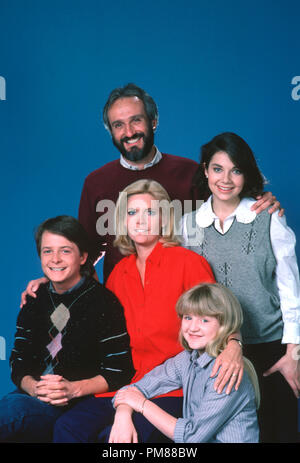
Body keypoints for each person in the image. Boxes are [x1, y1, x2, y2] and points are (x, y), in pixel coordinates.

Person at [20, 83, 281, 294]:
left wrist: (257, 200)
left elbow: (227, 211)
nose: (129, 131)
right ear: (110, 131)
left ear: (153, 121)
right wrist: (56, 282)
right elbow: (83, 253)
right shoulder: (96, 183)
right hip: (124, 304)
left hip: (188, 302)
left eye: (136, 121)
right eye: (118, 125)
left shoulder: (190, 172)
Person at [53, 180, 245, 443]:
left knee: (119, 440)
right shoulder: (118, 274)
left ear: (164, 218)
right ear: (123, 220)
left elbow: (219, 319)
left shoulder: (189, 263)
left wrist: (234, 344)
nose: (141, 220)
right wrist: (52, 283)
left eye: (150, 212)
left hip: (173, 390)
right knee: (68, 427)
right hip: (125, 384)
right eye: (132, 213)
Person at [181, 132, 300, 443]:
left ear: (246, 174)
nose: (226, 179)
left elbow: (290, 288)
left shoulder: (268, 217)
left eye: (236, 170)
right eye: (218, 169)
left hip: (271, 348)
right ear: (205, 170)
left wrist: (294, 353)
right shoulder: (188, 226)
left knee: (279, 433)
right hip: (217, 351)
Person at [0, 216, 134, 442]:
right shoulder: (34, 299)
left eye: (65, 251)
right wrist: (34, 388)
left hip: (80, 402)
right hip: (32, 397)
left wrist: (71, 389)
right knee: (11, 409)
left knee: (9, 413)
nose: (55, 259)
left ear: (82, 257)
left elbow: (120, 370)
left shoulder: (103, 302)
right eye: (47, 251)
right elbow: (18, 360)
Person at [110, 283, 260, 443]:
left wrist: (141, 404)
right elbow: (134, 389)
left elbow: (191, 437)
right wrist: (122, 415)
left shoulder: (227, 371)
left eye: (204, 320)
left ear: (224, 325)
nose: (192, 327)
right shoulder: (187, 359)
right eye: (188, 317)